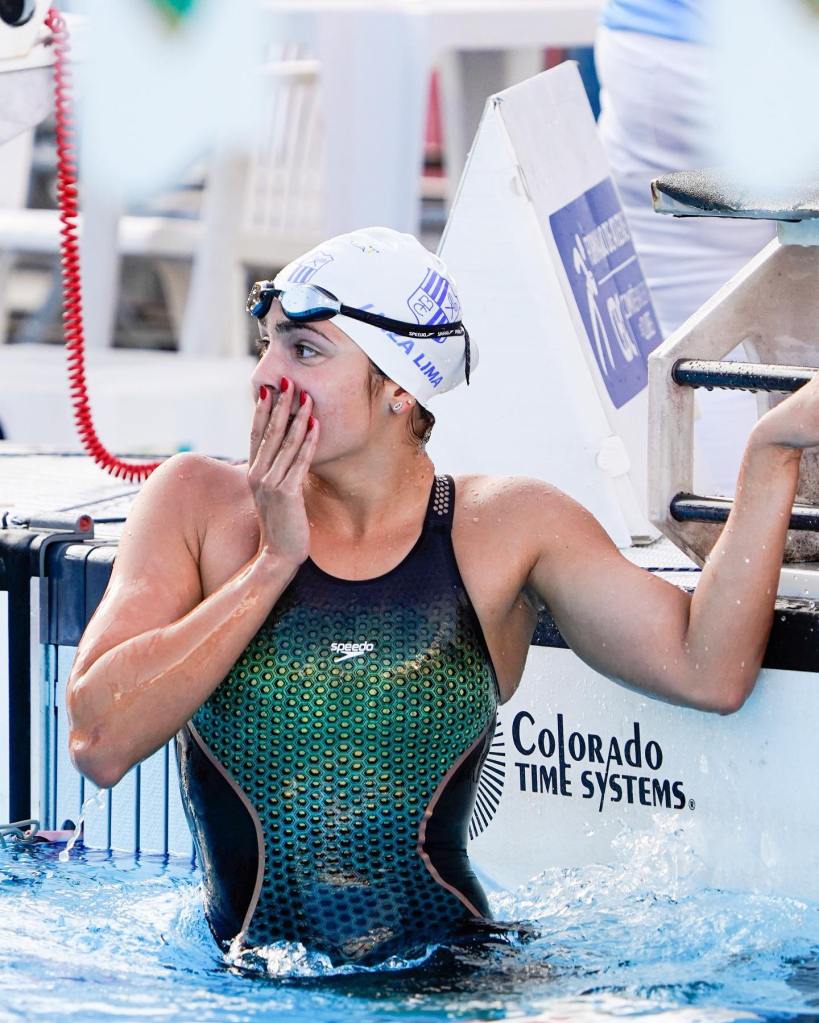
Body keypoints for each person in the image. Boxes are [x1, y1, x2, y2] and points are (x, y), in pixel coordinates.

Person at [65, 227, 813, 967]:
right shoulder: (197, 502)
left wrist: (771, 451)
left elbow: (708, 671)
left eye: (304, 350)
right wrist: (272, 563)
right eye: (266, 344)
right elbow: (99, 743)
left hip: (450, 985)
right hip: (239, 990)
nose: (266, 374)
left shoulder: (505, 527)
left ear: (399, 387)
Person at [595, 0, 777, 495]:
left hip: (659, 51)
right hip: (740, 55)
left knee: (702, 341)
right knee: (716, 348)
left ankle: (724, 526)